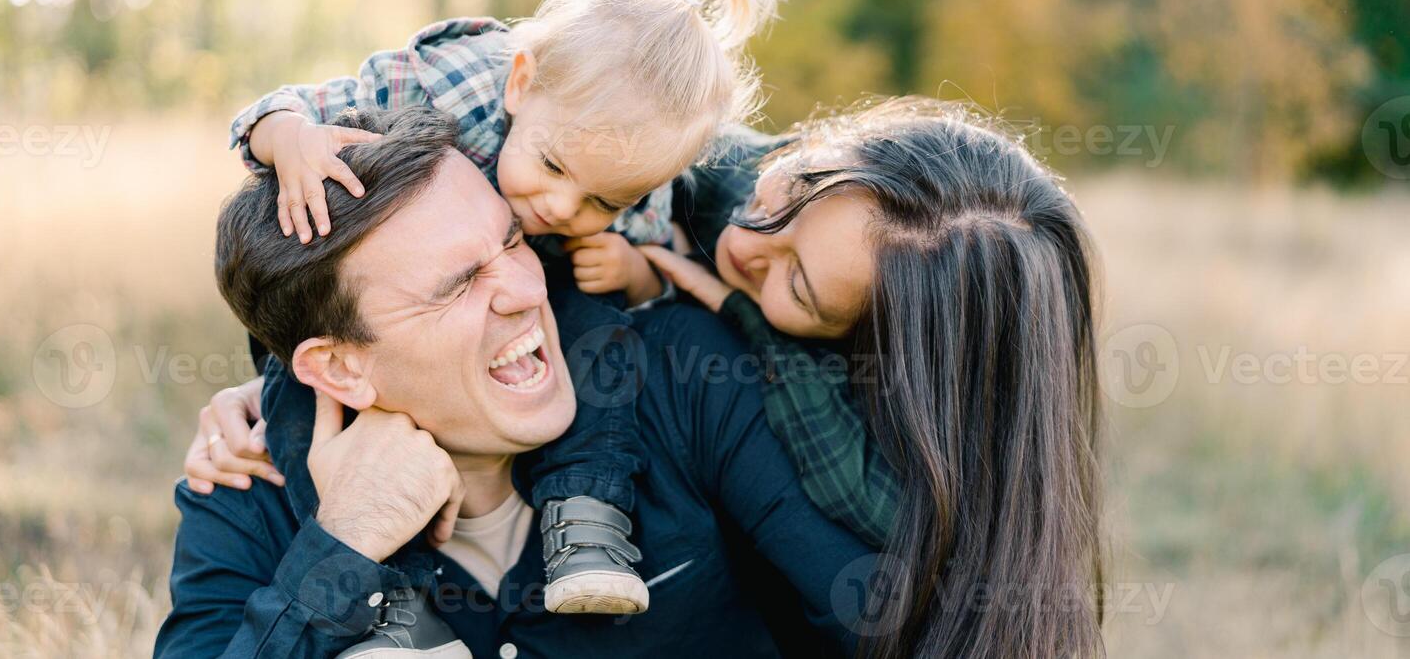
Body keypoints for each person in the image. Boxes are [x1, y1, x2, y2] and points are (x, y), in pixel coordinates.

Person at [188, 98, 1109, 659]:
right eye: (462, 280)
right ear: (334, 364)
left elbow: (901, 626)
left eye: (515, 243)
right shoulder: (252, 481)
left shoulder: (692, 375)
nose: (524, 287)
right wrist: (343, 544)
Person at [221, 0, 790, 615]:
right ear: (521, 83)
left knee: (601, 335)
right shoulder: (447, 86)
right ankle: (382, 610)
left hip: (526, 312)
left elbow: (655, 263)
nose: (558, 206)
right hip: (375, 318)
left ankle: (587, 522)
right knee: (300, 408)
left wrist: (631, 267)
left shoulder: (636, 175)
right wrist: (290, 141)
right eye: (553, 165)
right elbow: (274, 109)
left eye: (602, 200)